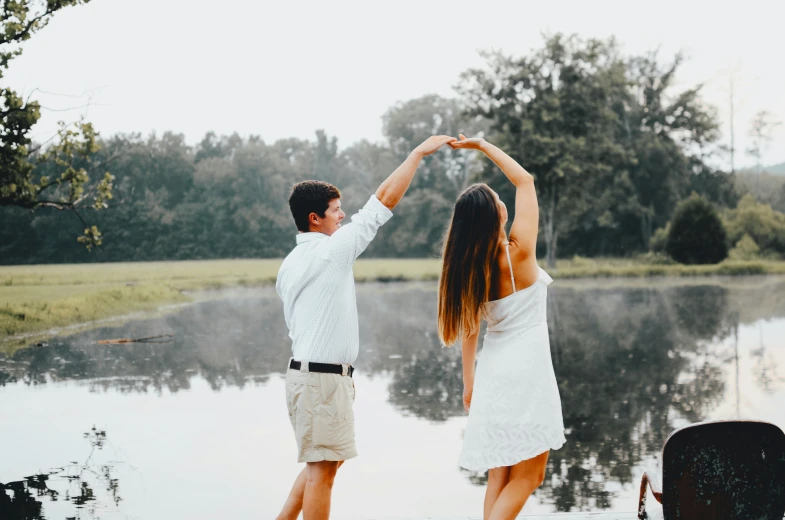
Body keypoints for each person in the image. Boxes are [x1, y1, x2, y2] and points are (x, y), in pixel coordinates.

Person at [275, 135, 457, 520]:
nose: (342, 216)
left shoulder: (293, 261)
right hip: (320, 382)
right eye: (336, 211)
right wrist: (417, 153)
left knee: (322, 466)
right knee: (323, 472)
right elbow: (383, 202)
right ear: (315, 218)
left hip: (314, 380)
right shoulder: (330, 252)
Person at [438, 134, 566, 520]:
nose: (501, 199)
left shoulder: (470, 270)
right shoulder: (519, 251)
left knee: (500, 472)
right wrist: (482, 146)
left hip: (493, 372)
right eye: (496, 198)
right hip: (527, 374)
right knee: (530, 475)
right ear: (495, 214)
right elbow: (524, 180)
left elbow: (470, 330)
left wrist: (468, 381)